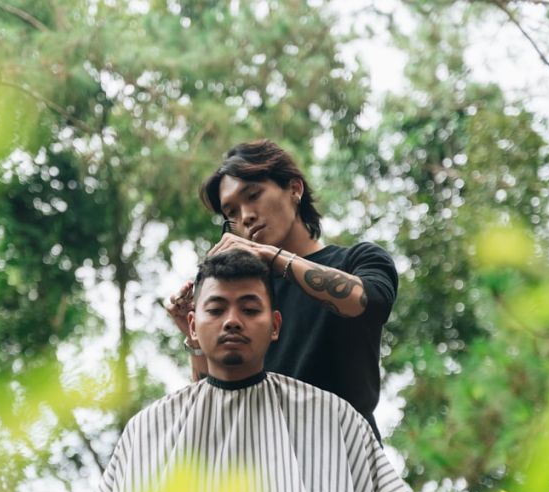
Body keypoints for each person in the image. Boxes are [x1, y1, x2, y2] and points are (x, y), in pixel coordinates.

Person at [87, 250, 435, 492]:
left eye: (250, 309)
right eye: (216, 310)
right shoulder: (148, 431)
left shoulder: (333, 418)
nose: (232, 321)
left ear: (275, 325)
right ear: (192, 326)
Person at [166, 139, 398, 442]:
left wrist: (273, 257)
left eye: (253, 195)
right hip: (267, 459)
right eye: (231, 212)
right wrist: (197, 338)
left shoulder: (357, 260)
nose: (245, 216)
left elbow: (369, 302)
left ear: (294, 189)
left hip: (348, 454)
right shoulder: (247, 296)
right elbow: (216, 404)